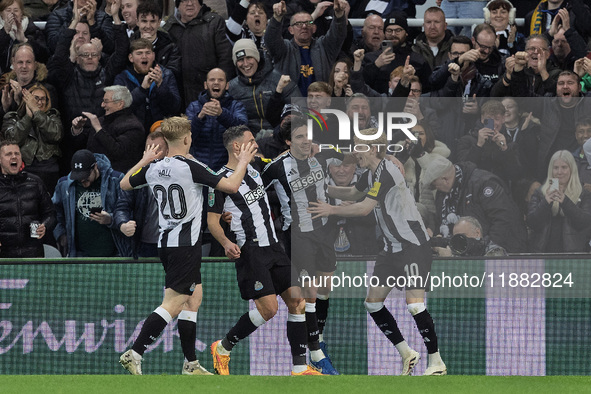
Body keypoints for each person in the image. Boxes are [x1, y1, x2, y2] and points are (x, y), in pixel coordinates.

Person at [118, 116, 257, 375]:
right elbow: (232, 185)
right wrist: (244, 161)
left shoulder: (154, 167)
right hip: (185, 245)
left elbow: (124, 183)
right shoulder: (190, 167)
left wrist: (145, 160)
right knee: (174, 302)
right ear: (186, 139)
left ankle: (190, 364)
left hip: (166, 242)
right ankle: (135, 352)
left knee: (194, 299)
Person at [308, 127, 447, 376]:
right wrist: (324, 189)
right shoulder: (371, 173)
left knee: (414, 305)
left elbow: (364, 207)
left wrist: (331, 209)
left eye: (358, 146)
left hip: (412, 245)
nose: (354, 152)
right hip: (391, 249)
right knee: (373, 303)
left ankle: (436, 361)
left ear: (372, 148)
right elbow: (353, 192)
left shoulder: (387, 171)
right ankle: (407, 353)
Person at [207, 125, 323, 376]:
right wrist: (227, 243)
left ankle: (300, 368)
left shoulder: (258, 167)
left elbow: (284, 162)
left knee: (297, 300)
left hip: (274, 246)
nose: (256, 144)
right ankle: (223, 347)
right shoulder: (220, 179)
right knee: (269, 310)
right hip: (250, 250)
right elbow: (212, 221)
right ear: (237, 147)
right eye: (250, 141)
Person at [262, 116, 344, 375]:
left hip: (325, 232)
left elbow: (352, 156)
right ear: (288, 142)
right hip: (298, 236)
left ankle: (317, 338)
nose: (306, 140)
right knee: (307, 293)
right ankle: (316, 351)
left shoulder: (322, 156)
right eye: (299, 137)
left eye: (307, 135)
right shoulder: (276, 167)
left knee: (325, 288)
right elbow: (254, 191)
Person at [47, 1, 128, 166]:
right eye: (85, 55)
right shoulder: (68, 74)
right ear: (77, 57)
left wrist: (115, 17)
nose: (90, 58)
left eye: (93, 54)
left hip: (101, 136)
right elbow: (60, 52)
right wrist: (74, 22)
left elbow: (121, 50)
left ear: (100, 56)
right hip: (73, 137)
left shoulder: (107, 72)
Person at [423, 154, 528, 252]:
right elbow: (441, 223)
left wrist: (487, 250)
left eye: (435, 185)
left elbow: (504, 219)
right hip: (463, 251)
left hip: (500, 252)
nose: (436, 189)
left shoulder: (484, 183)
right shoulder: (443, 195)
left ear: (445, 179)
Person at [52, 148, 130, 257]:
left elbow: (128, 211)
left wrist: (111, 219)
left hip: (114, 254)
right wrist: (60, 233)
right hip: (79, 255)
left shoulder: (116, 180)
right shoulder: (64, 184)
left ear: (95, 167)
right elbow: (54, 212)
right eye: (79, 179)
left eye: (86, 178)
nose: (84, 183)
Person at [264, 0, 348, 95]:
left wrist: (339, 14)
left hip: (323, 104)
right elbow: (270, 39)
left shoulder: (324, 46)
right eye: (298, 23)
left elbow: (338, 35)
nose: (304, 26)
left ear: (314, 28)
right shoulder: (284, 49)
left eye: (309, 22)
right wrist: (277, 18)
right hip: (291, 104)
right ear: (291, 30)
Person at [163, 0, 235, 106]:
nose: (190, 3)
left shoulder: (214, 22)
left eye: (194, 0)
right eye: (184, 0)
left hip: (211, 95)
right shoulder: (169, 28)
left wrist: (219, 88)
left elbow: (226, 58)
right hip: (180, 97)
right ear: (178, 5)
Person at [113, 131, 168, 258]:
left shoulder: (177, 171)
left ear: (167, 151)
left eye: (158, 149)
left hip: (170, 242)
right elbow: (122, 206)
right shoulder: (136, 175)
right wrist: (123, 224)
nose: (153, 154)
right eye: (149, 149)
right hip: (144, 243)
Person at [1, 83, 62, 196]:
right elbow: (13, 140)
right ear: (26, 100)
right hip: (24, 169)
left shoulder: (53, 116)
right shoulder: (12, 117)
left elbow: (55, 135)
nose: (39, 102)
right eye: (35, 99)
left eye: (43, 99)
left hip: (48, 169)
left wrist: (37, 113)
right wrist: (28, 117)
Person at [227, 38, 297, 136]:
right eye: (240, 60)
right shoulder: (231, 88)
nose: (245, 64)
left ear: (257, 57)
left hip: (279, 138)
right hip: (247, 142)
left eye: (249, 58)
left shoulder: (279, 79)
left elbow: (299, 110)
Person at [526, 150, 591, 253]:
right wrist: (546, 203)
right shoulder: (540, 192)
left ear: (572, 169)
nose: (559, 172)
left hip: (573, 254)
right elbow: (532, 223)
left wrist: (565, 202)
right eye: (555, 168)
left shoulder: (583, 193)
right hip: (543, 253)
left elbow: (585, 223)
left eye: (564, 167)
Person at [0, 141, 56, 258]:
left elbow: (50, 214)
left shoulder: (35, 182)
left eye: (17, 153)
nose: (14, 156)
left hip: (33, 254)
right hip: (4, 256)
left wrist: (44, 226)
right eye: (8, 154)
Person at [185, 67, 247, 172]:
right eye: (212, 80)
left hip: (228, 167)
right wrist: (200, 117)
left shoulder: (236, 106)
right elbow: (186, 137)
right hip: (198, 166)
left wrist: (222, 114)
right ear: (205, 85)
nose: (216, 83)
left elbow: (243, 131)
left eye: (221, 80)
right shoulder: (193, 107)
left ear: (227, 85)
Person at [114, 38, 181, 133]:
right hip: (133, 132)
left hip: (161, 131)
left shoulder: (166, 75)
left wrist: (160, 86)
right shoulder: (122, 78)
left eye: (148, 53)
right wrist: (142, 90)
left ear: (153, 56)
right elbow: (119, 109)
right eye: (139, 53)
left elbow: (174, 107)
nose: (144, 57)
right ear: (131, 58)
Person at [77, 85, 145, 173]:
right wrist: (77, 129)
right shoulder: (101, 120)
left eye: (106, 101)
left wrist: (99, 129)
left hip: (117, 179)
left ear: (120, 104)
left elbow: (118, 152)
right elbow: (86, 147)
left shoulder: (133, 127)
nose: (102, 105)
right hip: (95, 176)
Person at [457, 99, 524, 185]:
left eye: (496, 119)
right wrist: (478, 146)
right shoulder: (466, 140)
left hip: (500, 191)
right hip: (474, 190)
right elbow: (462, 172)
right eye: (489, 119)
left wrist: (504, 148)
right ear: (482, 119)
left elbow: (516, 176)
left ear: (503, 119)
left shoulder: (509, 143)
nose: (493, 123)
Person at [362, 13, 432, 95]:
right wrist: (376, 65)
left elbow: (427, 89)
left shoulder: (418, 60)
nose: (393, 34)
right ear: (384, 33)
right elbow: (361, 84)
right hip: (377, 104)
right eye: (389, 30)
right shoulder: (370, 58)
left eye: (398, 30)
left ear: (406, 33)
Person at [131, 1, 182, 86]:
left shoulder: (170, 45)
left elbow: (173, 75)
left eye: (152, 21)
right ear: (137, 22)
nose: (148, 26)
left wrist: (150, 48)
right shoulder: (129, 43)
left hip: (161, 92)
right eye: (144, 21)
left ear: (159, 22)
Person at [45, 0, 114, 53]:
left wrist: (92, 23)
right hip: (65, 61)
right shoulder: (57, 15)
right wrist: (72, 22)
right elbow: (53, 46)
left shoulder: (103, 17)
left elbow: (109, 48)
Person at [0, 0, 48, 74]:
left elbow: (44, 56)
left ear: (21, 13)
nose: (12, 13)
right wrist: (4, 32)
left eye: (16, 10)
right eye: (8, 10)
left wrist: (24, 40)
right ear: (1, 14)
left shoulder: (32, 29)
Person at [432, 216, 508, 257]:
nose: (459, 242)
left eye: (463, 236)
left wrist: (450, 260)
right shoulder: (460, 252)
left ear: (477, 233)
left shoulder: (495, 251)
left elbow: (481, 278)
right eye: (456, 238)